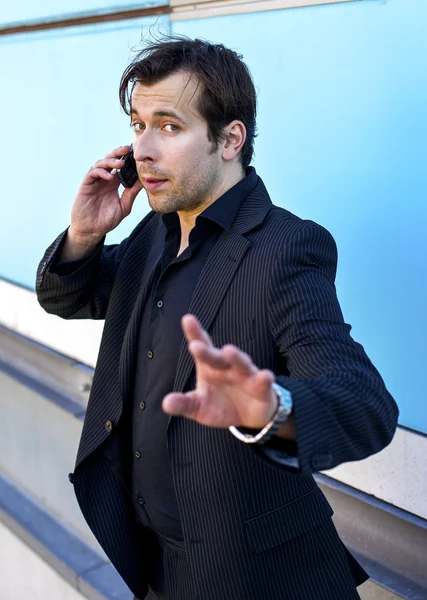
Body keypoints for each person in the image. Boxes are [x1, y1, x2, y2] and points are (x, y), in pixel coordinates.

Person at [36, 35, 398, 600]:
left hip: (256, 578)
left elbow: (365, 405)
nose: (143, 150)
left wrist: (269, 408)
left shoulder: (286, 248)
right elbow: (68, 298)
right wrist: (85, 233)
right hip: (151, 564)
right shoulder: (151, 234)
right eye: (138, 124)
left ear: (230, 139)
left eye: (170, 126)